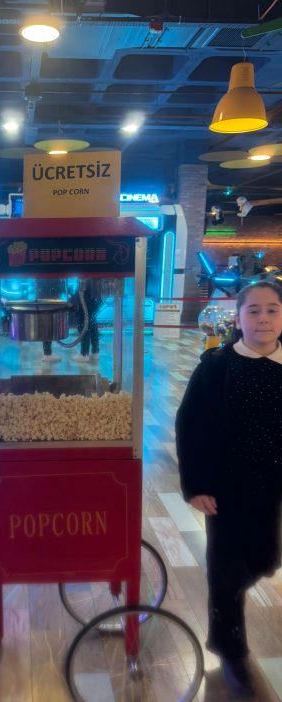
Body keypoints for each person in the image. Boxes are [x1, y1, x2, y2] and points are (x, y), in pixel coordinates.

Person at [176, 281, 282, 697]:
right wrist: (195, 486)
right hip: (226, 489)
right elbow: (190, 427)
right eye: (253, 311)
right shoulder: (217, 367)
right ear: (238, 319)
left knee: (266, 558)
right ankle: (230, 648)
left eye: (272, 310)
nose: (263, 319)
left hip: (272, 487)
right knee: (225, 570)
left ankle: (233, 596)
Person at [73, 279, 102, 363]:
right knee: (92, 323)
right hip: (94, 298)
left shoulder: (85, 280)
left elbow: (79, 293)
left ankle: (84, 354)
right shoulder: (94, 281)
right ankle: (95, 351)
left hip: (86, 300)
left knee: (84, 325)